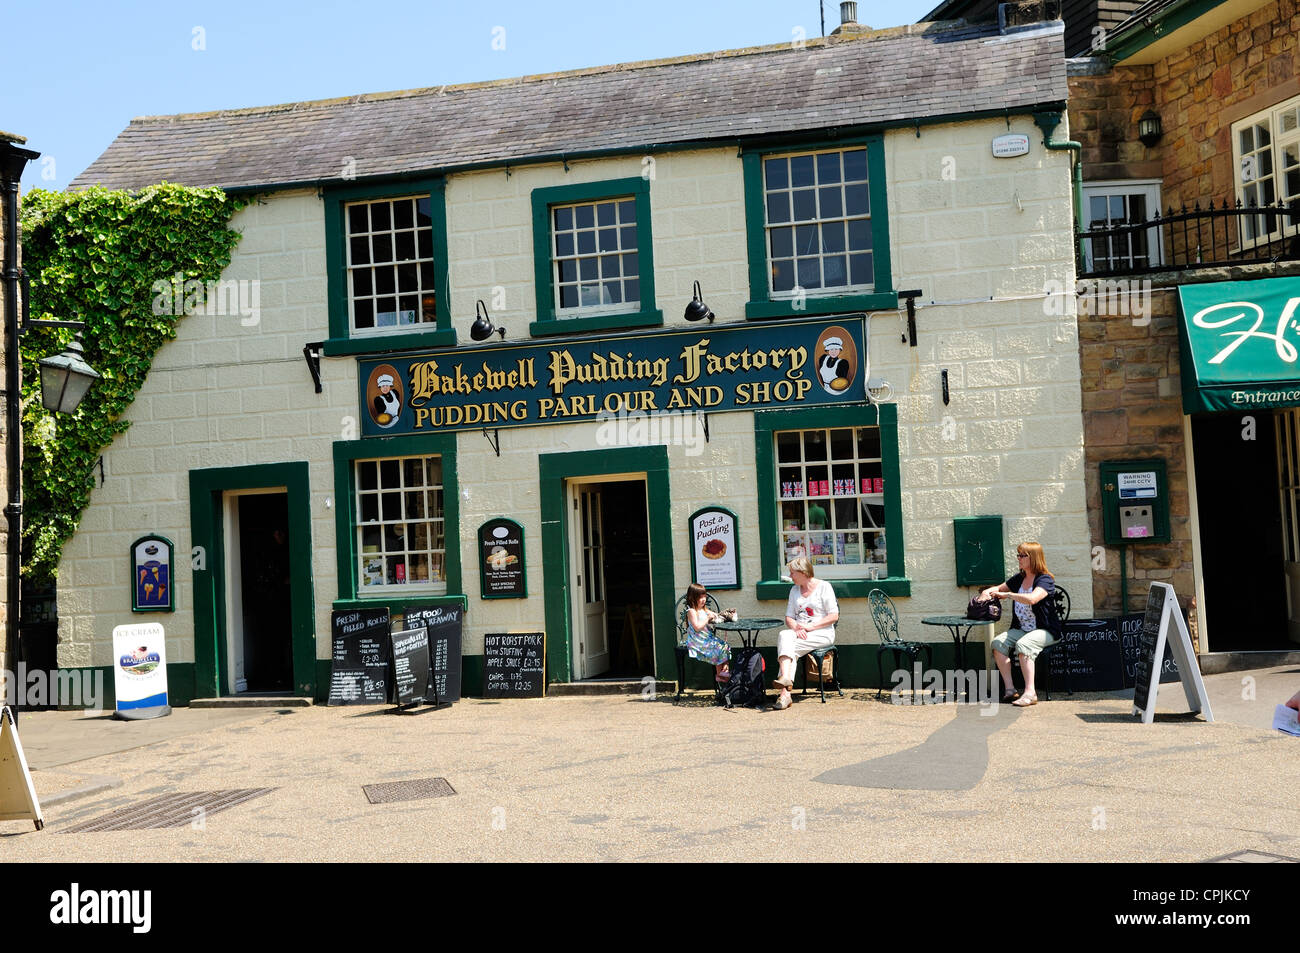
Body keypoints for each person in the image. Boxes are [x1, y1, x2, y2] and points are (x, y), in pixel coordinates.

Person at [981, 541, 1063, 707]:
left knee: (1024, 645)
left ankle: (1030, 693)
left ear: (1033, 558)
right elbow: (999, 588)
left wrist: (1009, 595)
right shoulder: (1020, 578)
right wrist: (986, 592)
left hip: (1045, 630)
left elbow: (1033, 598)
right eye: (1018, 555)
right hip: (1022, 629)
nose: (1018, 558)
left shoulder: (1045, 579)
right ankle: (1010, 690)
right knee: (997, 643)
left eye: (1022, 555)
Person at [771, 556, 838, 711]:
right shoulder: (794, 590)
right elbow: (789, 617)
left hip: (821, 632)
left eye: (792, 573)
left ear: (803, 572)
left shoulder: (824, 587)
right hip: (800, 633)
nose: (790, 576)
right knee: (784, 636)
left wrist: (811, 627)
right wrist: (796, 628)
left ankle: (784, 691)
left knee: (788, 648)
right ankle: (785, 686)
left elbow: (833, 616)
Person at [682, 582, 730, 682]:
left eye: (705, 596)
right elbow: (697, 627)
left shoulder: (704, 610)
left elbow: (716, 615)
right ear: (692, 598)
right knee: (718, 647)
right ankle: (721, 675)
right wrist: (707, 619)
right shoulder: (691, 611)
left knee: (725, 645)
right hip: (697, 641)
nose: (704, 599)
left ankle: (724, 672)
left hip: (707, 638)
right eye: (700, 597)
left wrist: (724, 616)